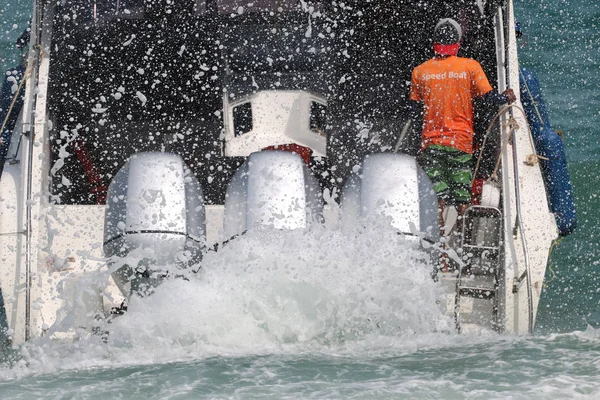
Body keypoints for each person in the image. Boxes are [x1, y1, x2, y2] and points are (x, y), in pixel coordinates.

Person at [409, 17, 516, 237]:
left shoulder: (420, 71)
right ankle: (463, 251)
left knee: (437, 199)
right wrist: (505, 97)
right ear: (457, 42)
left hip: (432, 144)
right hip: (460, 144)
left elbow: (414, 111)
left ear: (434, 42)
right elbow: (489, 99)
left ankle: (440, 255)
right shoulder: (469, 67)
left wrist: (416, 147)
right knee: (462, 199)